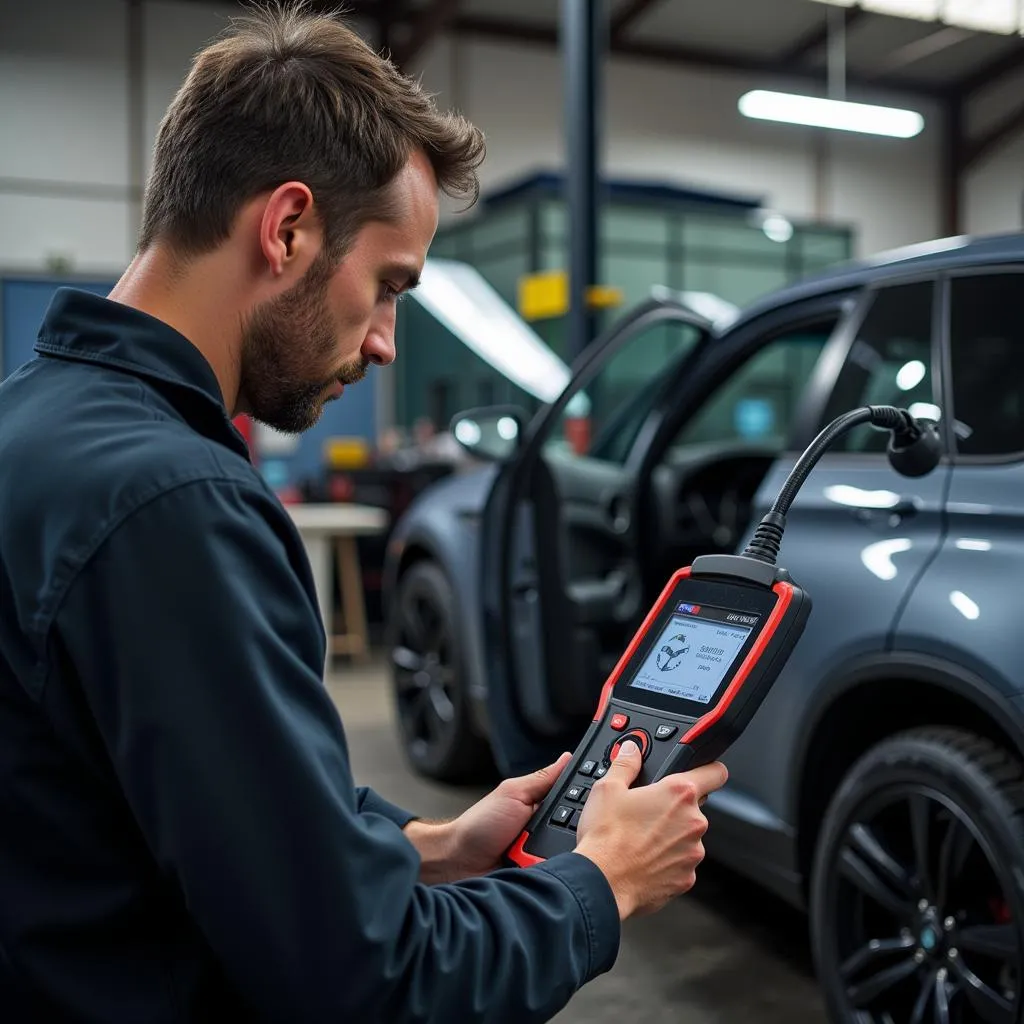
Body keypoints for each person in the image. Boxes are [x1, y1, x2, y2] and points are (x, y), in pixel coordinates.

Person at [0, 4, 728, 1022]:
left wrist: (428, 844)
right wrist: (598, 883)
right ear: (288, 226)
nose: (385, 340)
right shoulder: (175, 505)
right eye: (388, 286)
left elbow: (170, 814)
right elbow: (365, 978)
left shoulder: (33, 425)